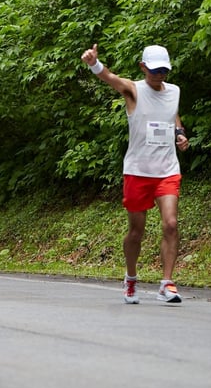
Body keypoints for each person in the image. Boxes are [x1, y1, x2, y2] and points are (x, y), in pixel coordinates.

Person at [81, 43, 190, 304]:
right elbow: (109, 78)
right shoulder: (134, 90)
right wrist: (93, 63)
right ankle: (131, 279)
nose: (159, 75)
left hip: (167, 170)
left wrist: (179, 133)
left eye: (163, 70)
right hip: (138, 172)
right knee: (136, 232)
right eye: (154, 70)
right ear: (143, 67)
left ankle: (167, 284)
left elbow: (172, 113)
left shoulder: (174, 91)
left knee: (171, 224)